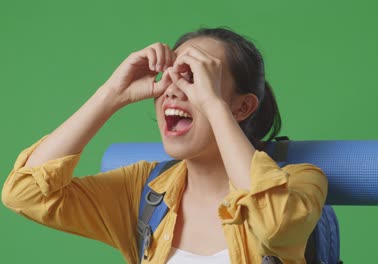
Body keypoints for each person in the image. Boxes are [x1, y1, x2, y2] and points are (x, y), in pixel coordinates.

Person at [2, 27, 328, 264]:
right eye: (171, 77)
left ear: (242, 107)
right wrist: (110, 95)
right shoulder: (143, 192)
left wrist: (213, 105)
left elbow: (275, 226)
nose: (173, 90)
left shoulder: (302, 181)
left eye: (195, 78)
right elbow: (25, 193)